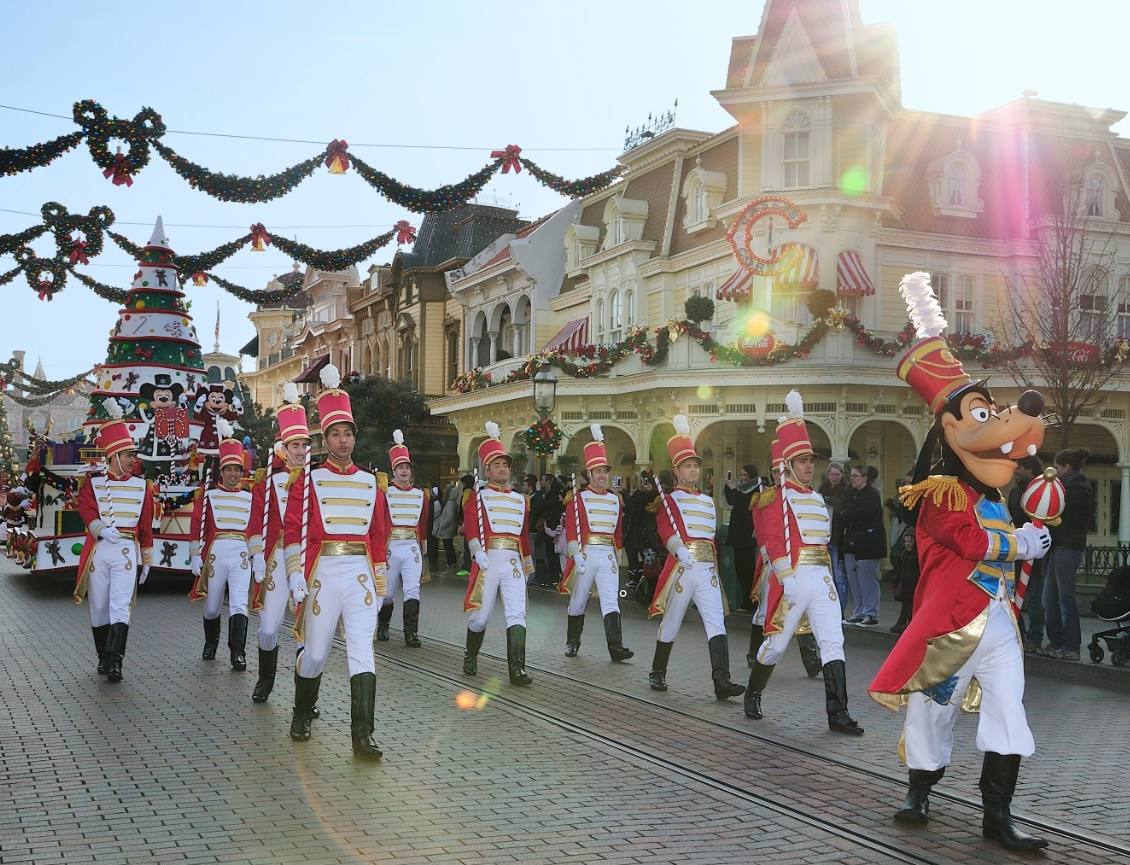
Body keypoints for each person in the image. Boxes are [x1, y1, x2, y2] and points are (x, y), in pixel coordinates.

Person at [870, 271, 1052, 851]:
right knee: (931, 712)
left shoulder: (996, 500)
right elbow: (969, 544)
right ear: (948, 432)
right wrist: (1019, 545)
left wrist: (1031, 532)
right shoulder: (938, 496)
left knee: (1009, 711)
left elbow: (994, 539)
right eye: (980, 415)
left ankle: (997, 818)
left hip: (998, 624)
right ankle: (919, 790)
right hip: (951, 624)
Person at [283, 364, 389, 758]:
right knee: (314, 653)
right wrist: (295, 574)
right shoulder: (307, 480)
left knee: (362, 651)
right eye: (335, 434)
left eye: (348, 434)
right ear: (324, 438)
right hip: (322, 574)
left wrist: (380, 583)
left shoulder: (371, 482)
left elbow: (379, 536)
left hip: (359, 574)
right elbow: (293, 530)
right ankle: (301, 709)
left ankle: (363, 736)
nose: (343, 441)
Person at [745, 391, 862, 734]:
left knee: (832, 640)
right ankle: (754, 692)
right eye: (803, 461)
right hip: (792, 577)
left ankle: (837, 713)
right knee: (777, 645)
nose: (810, 465)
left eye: (812, 460)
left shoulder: (817, 497)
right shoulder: (775, 499)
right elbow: (774, 540)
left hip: (820, 577)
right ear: (789, 465)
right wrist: (785, 576)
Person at [647, 415, 744, 701]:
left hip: (706, 569)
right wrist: (678, 548)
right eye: (688, 466)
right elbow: (665, 528)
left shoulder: (706, 500)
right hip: (682, 566)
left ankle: (722, 681)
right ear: (677, 470)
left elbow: (710, 536)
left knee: (716, 622)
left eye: (695, 466)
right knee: (673, 621)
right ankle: (657, 670)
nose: (693, 470)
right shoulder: (670, 499)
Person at [73, 399, 155, 682]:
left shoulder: (142, 486)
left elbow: (145, 524)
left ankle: (115, 661)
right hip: (99, 551)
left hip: (125, 552)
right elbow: (85, 508)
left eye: (133, 454)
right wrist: (98, 528)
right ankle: (103, 657)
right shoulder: (94, 483)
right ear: (114, 455)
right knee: (98, 606)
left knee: (120, 605)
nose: (133, 459)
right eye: (129, 454)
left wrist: (146, 558)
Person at [461, 422, 536, 685]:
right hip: (488, 560)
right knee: (481, 617)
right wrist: (476, 551)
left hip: (513, 561)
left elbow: (523, 535)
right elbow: (471, 526)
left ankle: (517, 669)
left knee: (517, 613)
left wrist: (527, 563)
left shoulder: (520, 499)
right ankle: (471, 654)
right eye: (496, 465)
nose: (502, 469)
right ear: (487, 470)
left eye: (505, 465)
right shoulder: (478, 497)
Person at [248, 384, 309, 703]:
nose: (300, 450)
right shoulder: (267, 480)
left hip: (306, 562)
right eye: (294, 445)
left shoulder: (318, 481)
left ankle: (304, 697)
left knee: (306, 631)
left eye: (304, 444)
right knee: (269, 628)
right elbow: (255, 521)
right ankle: (265, 679)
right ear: (284, 448)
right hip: (275, 560)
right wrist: (257, 555)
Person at [189, 424, 264, 672]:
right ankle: (211, 641)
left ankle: (238, 653)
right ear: (221, 471)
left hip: (241, 554)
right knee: (211, 606)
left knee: (239, 603)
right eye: (229, 469)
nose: (233, 474)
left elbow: (255, 528)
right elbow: (197, 524)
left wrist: (258, 556)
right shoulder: (208, 495)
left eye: (237, 470)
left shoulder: (250, 497)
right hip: (215, 553)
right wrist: (194, 554)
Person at [559, 425, 633, 662]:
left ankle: (616, 647)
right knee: (579, 599)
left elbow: (618, 530)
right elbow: (571, 527)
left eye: (604, 471)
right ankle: (572, 641)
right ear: (589, 474)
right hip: (586, 553)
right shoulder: (578, 498)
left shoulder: (615, 499)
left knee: (611, 599)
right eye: (597, 471)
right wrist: (575, 553)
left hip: (608, 554)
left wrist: (618, 553)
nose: (602, 475)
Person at [376, 430, 430, 648]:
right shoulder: (384, 492)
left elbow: (423, 522)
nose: (404, 471)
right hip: (391, 547)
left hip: (411, 548)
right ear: (394, 470)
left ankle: (411, 633)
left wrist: (423, 545)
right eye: (400, 467)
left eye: (407, 467)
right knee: (387, 594)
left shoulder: (421, 494)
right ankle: (383, 624)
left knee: (412, 590)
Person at [1041, 447, 1092, 661]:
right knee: (1050, 597)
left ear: (1066, 467)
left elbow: (1069, 515)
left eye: (1058, 467)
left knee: (1064, 597)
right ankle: (1058, 641)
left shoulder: (1075, 486)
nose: (1056, 471)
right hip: (1061, 545)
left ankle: (1070, 645)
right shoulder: (1070, 485)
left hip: (1067, 546)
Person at [1007, 456, 1045, 652]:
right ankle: (1018, 633)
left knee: (1036, 597)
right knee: (1015, 595)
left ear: (1030, 469)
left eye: (1019, 467)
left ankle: (1035, 637)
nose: (1015, 471)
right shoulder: (1014, 492)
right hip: (1018, 552)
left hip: (1037, 554)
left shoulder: (1041, 492)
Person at [841, 465, 886, 627]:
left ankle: (871, 614)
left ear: (865, 478)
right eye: (851, 476)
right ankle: (859, 612)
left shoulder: (872, 495)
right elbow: (843, 512)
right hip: (852, 542)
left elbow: (859, 514)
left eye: (856, 476)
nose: (852, 478)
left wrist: (848, 513)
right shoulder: (850, 493)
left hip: (869, 544)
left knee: (868, 580)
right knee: (854, 580)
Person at [724, 464, 760, 611]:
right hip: (738, 533)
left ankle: (751, 600)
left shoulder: (756, 489)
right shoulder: (741, 488)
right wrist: (728, 486)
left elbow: (742, 502)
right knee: (739, 567)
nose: (743, 478)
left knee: (748, 568)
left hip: (748, 533)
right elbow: (731, 500)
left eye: (746, 475)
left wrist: (732, 488)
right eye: (742, 475)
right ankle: (746, 598)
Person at [818, 462, 850, 615]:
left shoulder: (846, 490)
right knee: (825, 575)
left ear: (842, 475)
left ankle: (840, 609)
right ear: (828, 475)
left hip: (838, 536)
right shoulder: (822, 489)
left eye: (837, 474)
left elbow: (842, 507)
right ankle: (827, 607)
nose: (835, 477)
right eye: (832, 474)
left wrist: (827, 499)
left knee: (839, 576)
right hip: (824, 536)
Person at [889, 531, 919, 634]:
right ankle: (903, 624)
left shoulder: (916, 557)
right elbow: (899, 570)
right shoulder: (903, 555)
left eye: (910, 541)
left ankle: (907, 625)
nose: (908, 543)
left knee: (910, 608)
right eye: (906, 541)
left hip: (913, 586)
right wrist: (895, 582)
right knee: (906, 607)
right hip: (905, 585)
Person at [432, 481, 460, 571]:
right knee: (448, 545)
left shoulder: (450, 504)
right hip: (448, 528)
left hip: (446, 529)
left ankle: (451, 562)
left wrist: (441, 526)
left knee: (448, 546)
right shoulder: (452, 503)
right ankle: (451, 561)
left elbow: (449, 518)